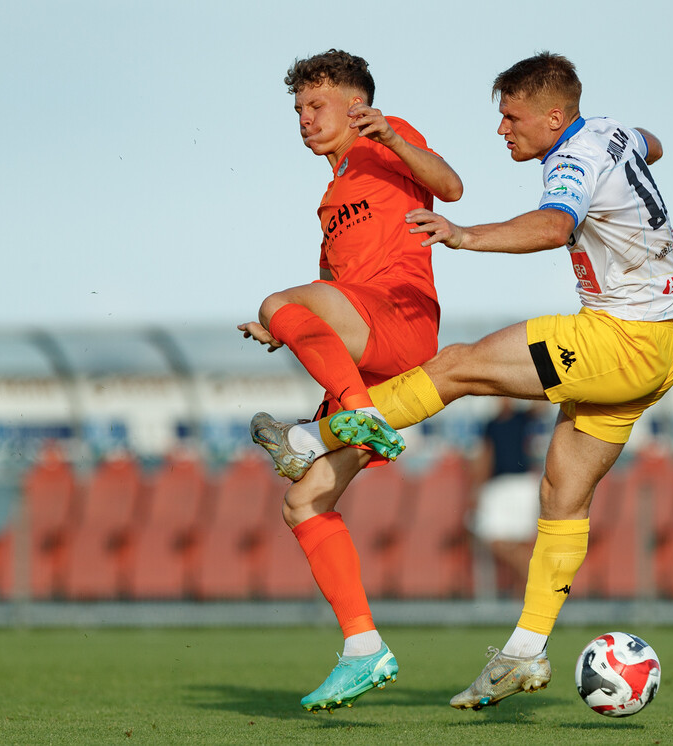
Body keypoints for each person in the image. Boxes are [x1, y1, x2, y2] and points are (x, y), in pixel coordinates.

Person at [253, 51, 673, 710]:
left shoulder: (571, 157)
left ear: (553, 117)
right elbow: (652, 144)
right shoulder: (610, 133)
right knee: (562, 498)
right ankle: (524, 651)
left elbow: (553, 224)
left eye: (512, 119)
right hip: (660, 346)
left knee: (458, 366)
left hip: (617, 336)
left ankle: (315, 434)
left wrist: (462, 236)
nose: (502, 131)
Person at [237, 49, 462, 712]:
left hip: (402, 320)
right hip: (365, 348)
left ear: (356, 105)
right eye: (299, 110)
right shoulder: (331, 199)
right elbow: (330, 293)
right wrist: (284, 330)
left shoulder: (386, 137)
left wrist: (390, 133)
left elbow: (450, 187)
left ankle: (337, 421)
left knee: (279, 299)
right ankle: (365, 649)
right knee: (302, 504)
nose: (305, 120)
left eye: (316, 106)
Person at [470, 399, 545, 593]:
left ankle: (526, 594)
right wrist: (478, 488)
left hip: (521, 483)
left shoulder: (521, 417)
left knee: (522, 540)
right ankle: (534, 577)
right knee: (493, 537)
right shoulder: (491, 424)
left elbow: (542, 406)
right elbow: (486, 455)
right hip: (499, 485)